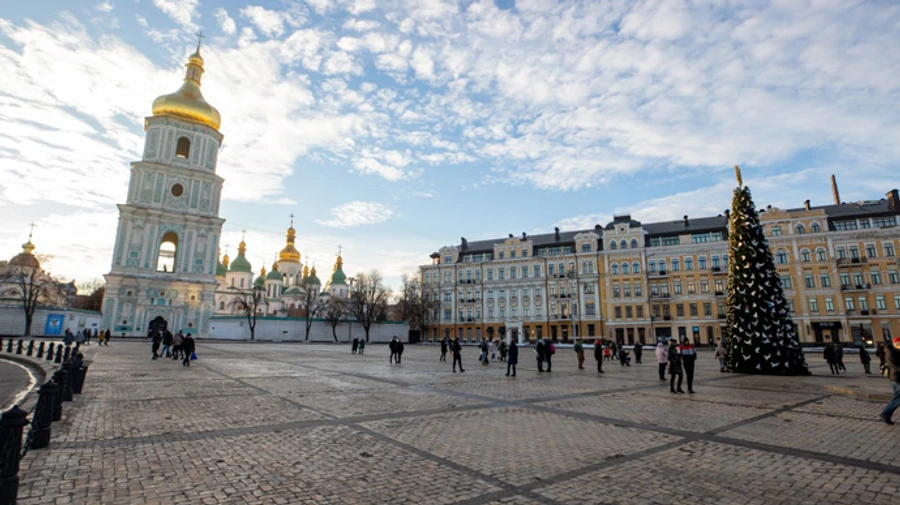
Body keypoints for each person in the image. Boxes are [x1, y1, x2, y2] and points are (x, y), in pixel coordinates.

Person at [880, 336, 900, 425]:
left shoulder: (897, 351)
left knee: (897, 398)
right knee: (898, 398)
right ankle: (885, 413)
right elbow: (896, 367)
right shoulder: (890, 353)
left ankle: (886, 414)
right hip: (897, 378)